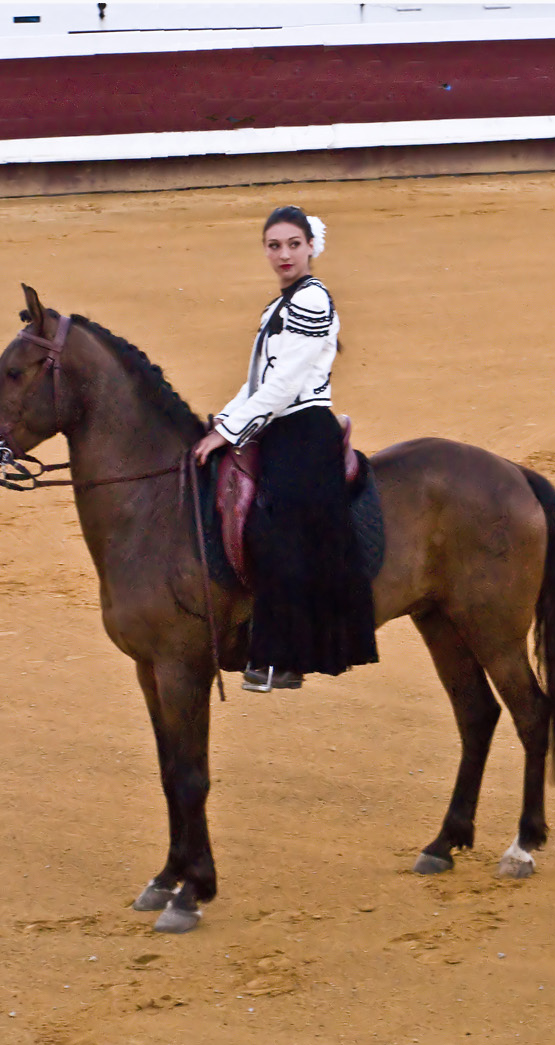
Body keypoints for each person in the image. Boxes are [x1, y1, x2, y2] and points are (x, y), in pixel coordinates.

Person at [193, 205, 379, 692]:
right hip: (277, 427)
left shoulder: (312, 300)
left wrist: (231, 431)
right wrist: (223, 424)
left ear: (311, 247)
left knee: (276, 527)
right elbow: (257, 383)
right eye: (274, 245)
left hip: (304, 431)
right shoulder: (277, 307)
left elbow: (284, 385)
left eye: (293, 244)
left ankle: (283, 656)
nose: (284, 254)